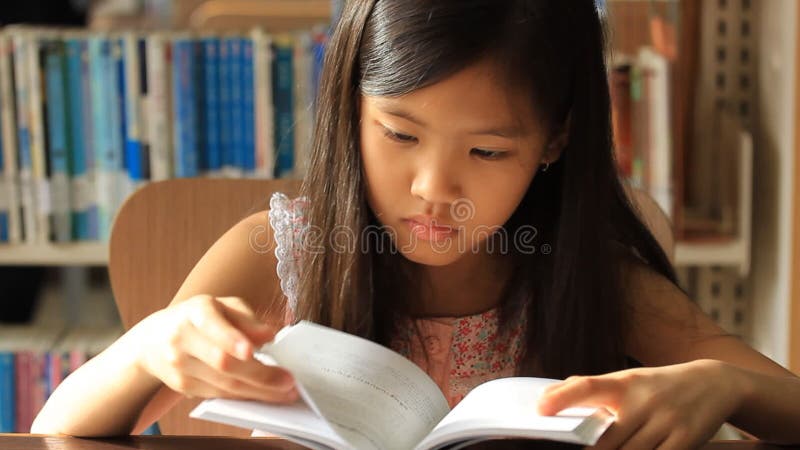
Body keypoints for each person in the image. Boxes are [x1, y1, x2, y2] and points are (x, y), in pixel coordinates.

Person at [33, 1, 800, 448]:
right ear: (351, 111)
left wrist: (724, 385)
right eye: (399, 135)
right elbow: (56, 427)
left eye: (488, 149)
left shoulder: (586, 275)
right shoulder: (281, 255)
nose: (435, 189)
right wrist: (150, 349)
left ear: (556, 141)